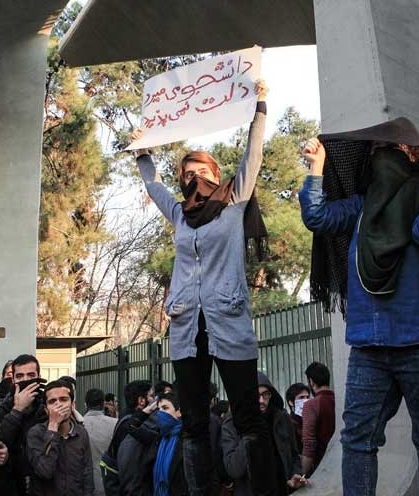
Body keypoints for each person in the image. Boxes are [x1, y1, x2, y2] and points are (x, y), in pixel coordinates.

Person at [129, 79, 274, 496]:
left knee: (247, 416)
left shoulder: (234, 202)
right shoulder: (177, 214)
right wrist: (143, 154)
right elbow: (153, 185)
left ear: (215, 173)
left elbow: (253, 154)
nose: (193, 179)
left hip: (227, 318)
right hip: (186, 327)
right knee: (192, 421)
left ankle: (263, 489)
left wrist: (259, 105)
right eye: (186, 175)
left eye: (200, 172)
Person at [299, 119, 419, 495]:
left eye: (389, 151)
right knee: (357, 439)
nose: (379, 159)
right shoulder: (361, 204)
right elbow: (317, 217)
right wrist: (317, 168)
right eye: (373, 154)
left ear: (413, 154)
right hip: (369, 345)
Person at [222, 372, 306, 495]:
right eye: (256, 395)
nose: (261, 401)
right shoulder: (231, 424)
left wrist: (295, 475)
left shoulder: (281, 418)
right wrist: (249, 433)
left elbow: (293, 455)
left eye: (265, 394)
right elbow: (233, 469)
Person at [0, 354, 47, 496]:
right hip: (9, 487)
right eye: (20, 376)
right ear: (13, 380)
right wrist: (17, 410)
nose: (25, 380)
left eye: (31, 375)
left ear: (38, 376)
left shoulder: (47, 411)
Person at [26, 379, 94, 496]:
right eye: (52, 401)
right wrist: (53, 426)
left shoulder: (81, 433)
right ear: (46, 410)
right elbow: (45, 471)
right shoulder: (35, 434)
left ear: (72, 405)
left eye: (63, 399)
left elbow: (87, 474)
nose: (58, 404)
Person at [149, 392, 187, 496]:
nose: (160, 413)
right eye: (159, 409)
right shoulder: (160, 437)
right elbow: (131, 427)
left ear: (179, 411)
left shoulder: (187, 440)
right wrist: (150, 408)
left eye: (165, 408)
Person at [301, 361, 334, 476]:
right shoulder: (340, 400)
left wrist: (302, 475)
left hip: (321, 468)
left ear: (311, 381)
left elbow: (309, 444)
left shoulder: (311, 405)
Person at [82, 388, 117, 496]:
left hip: (84, 485)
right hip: (109, 483)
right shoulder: (115, 424)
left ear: (85, 405)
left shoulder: (79, 425)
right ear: (103, 404)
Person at [284, 383, 310, 454]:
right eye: (301, 398)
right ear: (291, 402)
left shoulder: (311, 421)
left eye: (307, 397)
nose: (306, 400)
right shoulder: (288, 424)